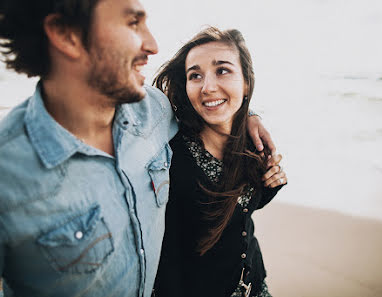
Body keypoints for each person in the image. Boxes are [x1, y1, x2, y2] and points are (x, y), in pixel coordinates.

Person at [0, 1, 275, 296]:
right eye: (133, 23)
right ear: (66, 35)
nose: (152, 45)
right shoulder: (9, 177)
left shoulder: (154, 111)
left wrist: (248, 116)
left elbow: (211, 104)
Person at [153, 27, 287, 297]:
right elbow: (167, 259)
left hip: (255, 285)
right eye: (195, 75)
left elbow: (242, 210)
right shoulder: (170, 158)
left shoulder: (250, 144)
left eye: (222, 70)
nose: (208, 87)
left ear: (246, 82)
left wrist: (270, 185)